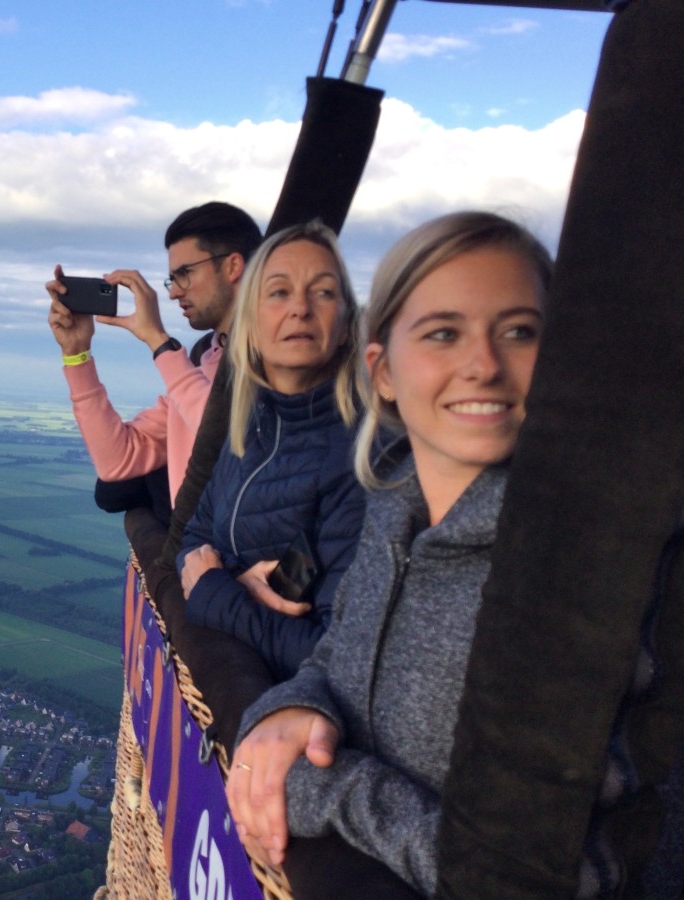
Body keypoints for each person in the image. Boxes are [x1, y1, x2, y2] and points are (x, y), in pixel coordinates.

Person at [225, 210, 553, 899]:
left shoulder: (575, 569)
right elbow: (337, 650)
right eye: (443, 333)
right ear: (383, 371)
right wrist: (288, 711)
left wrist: (328, 786)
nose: (485, 365)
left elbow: (547, 874)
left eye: (520, 331)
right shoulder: (394, 509)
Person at [176, 221, 366, 683]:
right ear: (251, 323)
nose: (300, 308)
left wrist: (217, 596)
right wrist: (232, 587)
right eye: (278, 292)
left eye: (323, 293)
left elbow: (336, 655)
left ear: (345, 326)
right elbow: (192, 542)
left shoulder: (361, 457)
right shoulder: (251, 427)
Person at [46, 202, 262, 510]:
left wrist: (158, 341)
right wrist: (76, 354)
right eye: (171, 279)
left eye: (184, 274)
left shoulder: (279, 358)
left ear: (232, 266)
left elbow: (234, 445)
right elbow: (117, 460)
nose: (174, 292)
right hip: (196, 556)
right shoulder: (205, 361)